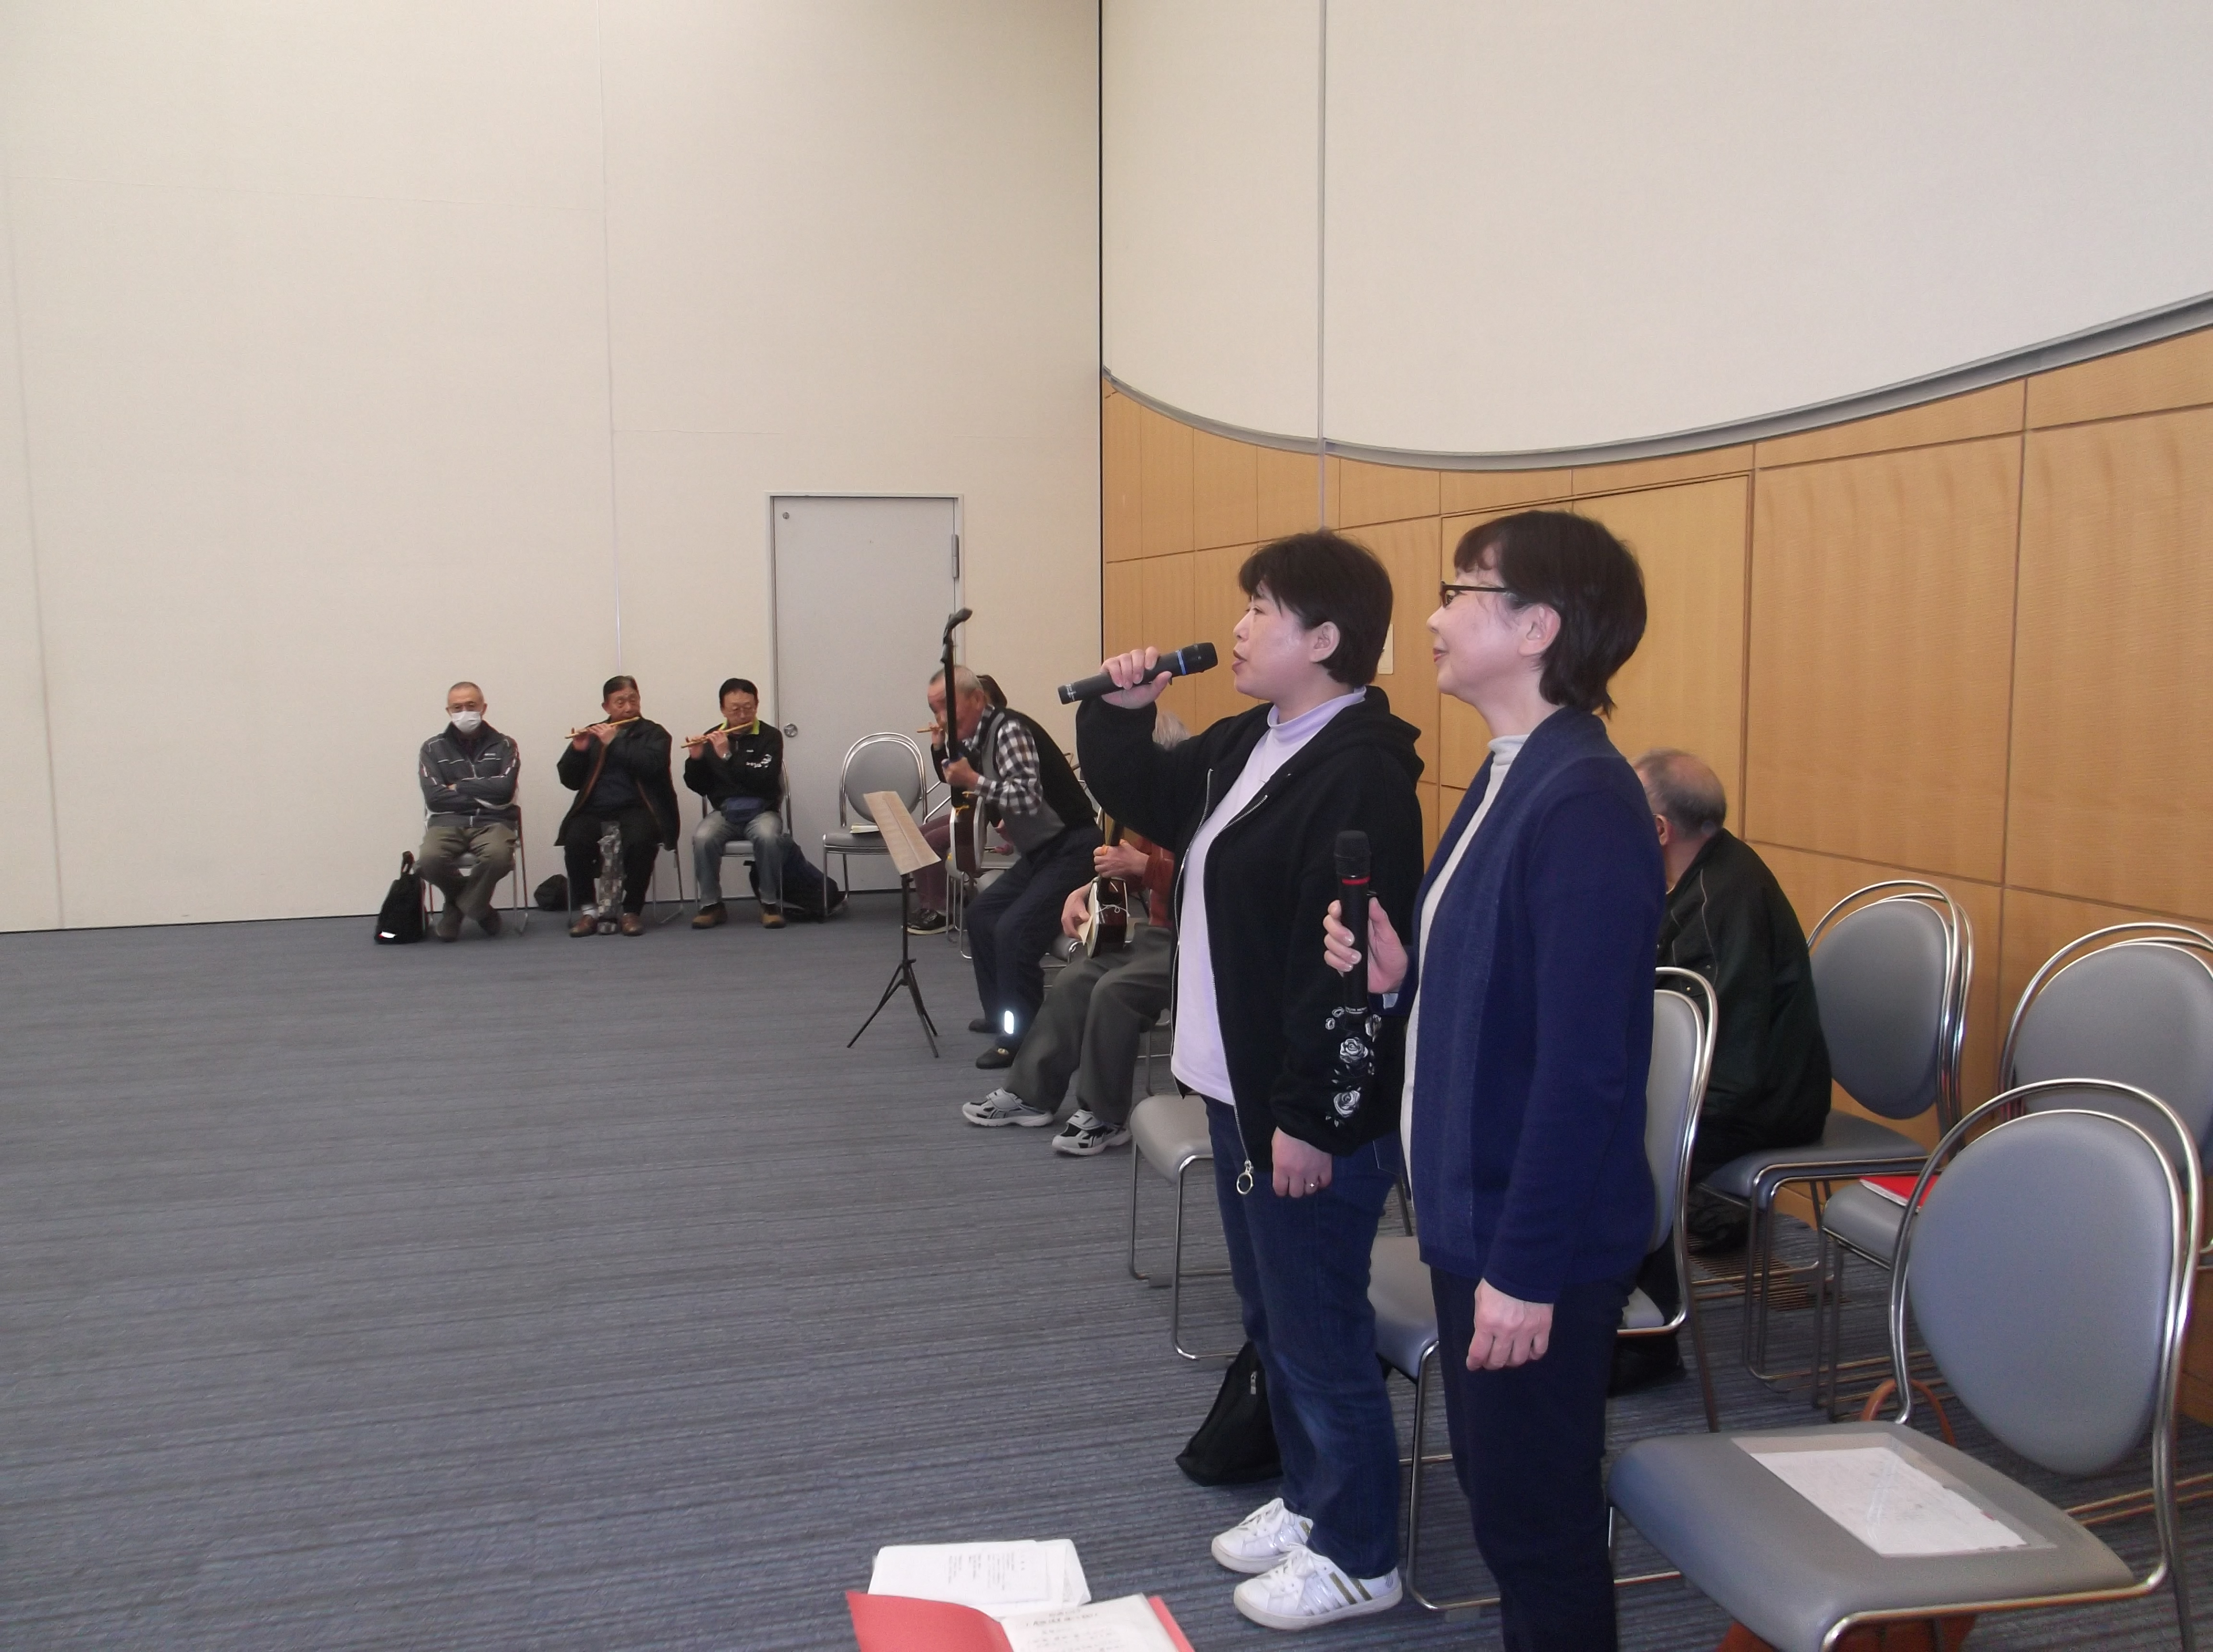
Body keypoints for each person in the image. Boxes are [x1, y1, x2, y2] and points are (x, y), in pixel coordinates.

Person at [1325, 509, 1663, 1651]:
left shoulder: (1584, 800)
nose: (1432, 615)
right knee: (1506, 1497)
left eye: (1460, 589)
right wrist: (1397, 979)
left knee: (1534, 1522)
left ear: (1536, 628)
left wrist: (1525, 1270)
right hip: (1481, 1208)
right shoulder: (1514, 771)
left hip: (1534, 1235)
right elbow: (1500, 993)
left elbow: (1585, 1069)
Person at [1080, 532, 1424, 1633]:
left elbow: (1345, 974)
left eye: (1262, 610)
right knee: (1274, 1315)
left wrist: (1312, 1119)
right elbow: (1148, 792)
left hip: (1303, 1106)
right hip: (1237, 1085)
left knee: (1319, 1327)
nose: (1236, 627)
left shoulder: (1361, 773)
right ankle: (1315, 1496)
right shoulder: (1255, 738)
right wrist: (1123, 712)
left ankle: (1361, 1554)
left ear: (1323, 640)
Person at [1609, 748, 1833, 1394]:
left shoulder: (1723, 901)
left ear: (1658, 829)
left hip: (1762, 1100)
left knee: (1621, 1147)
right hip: (1736, 1084)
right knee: (1606, 1122)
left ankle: (1648, 1339)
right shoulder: (1694, 878)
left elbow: (1727, 1062)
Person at [959, 832, 1176, 1154]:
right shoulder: (1173, 815)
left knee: (1115, 992)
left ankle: (1105, 1117)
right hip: (1159, 937)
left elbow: (1220, 879)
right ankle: (1031, 1095)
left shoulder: (1225, 813)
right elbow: (1128, 869)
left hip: (1209, 942)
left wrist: (1146, 866)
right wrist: (1087, 890)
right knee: (1075, 979)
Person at [930, 666, 1103, 1068]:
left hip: (1073, 848)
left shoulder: (1009, 730)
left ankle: (1021, 1037)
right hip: (1041, 852)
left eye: (946, 707)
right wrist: (944, 753)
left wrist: (974, 780)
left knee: (1014, 932)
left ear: (977, 699)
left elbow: (1026, 797)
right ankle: (999, 1015)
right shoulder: (976, 737)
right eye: (934, 709)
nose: (940, 717)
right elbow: (958, 781)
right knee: (981, 915)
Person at [555, 675, 679, 937]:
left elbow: (652, 767)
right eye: (620, 702)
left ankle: (631, 910)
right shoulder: (594, 733)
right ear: (606, 707)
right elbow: (570, 781)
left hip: (638, 807)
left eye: (633, 700)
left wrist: (616, 743)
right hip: (594, 808)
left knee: (641, 840)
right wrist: (578, 751)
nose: (628, 707)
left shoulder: (655, 734)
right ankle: (589, 911)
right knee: (575, 840)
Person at [682, 678, 791, 930]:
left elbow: (764, 779)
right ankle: (711, 905)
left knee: (767, 837)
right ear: (723, 709)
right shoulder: (712, 738)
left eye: (748, 708)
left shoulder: (770, 737)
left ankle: (769, 903)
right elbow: (699, 786)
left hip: (763, 810)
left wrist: (727, 756)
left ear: (757, 705)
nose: (743, 715)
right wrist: (696, 760)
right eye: (735, 709)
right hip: (725, 812)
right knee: (703, 838)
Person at [415, 681, 519, 941]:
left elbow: (505, 791)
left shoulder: (505, 745)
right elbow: (435, 799)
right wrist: (484, 792)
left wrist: (459, 786)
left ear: (484, 708)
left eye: (471, 706)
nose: (465, 712)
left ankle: (456, 908)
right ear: (448, 711)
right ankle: (479, 908)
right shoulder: (432, 748)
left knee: (499, 857)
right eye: (457, 707)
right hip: (447, 822)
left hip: (494, 822)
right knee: (428, 861)